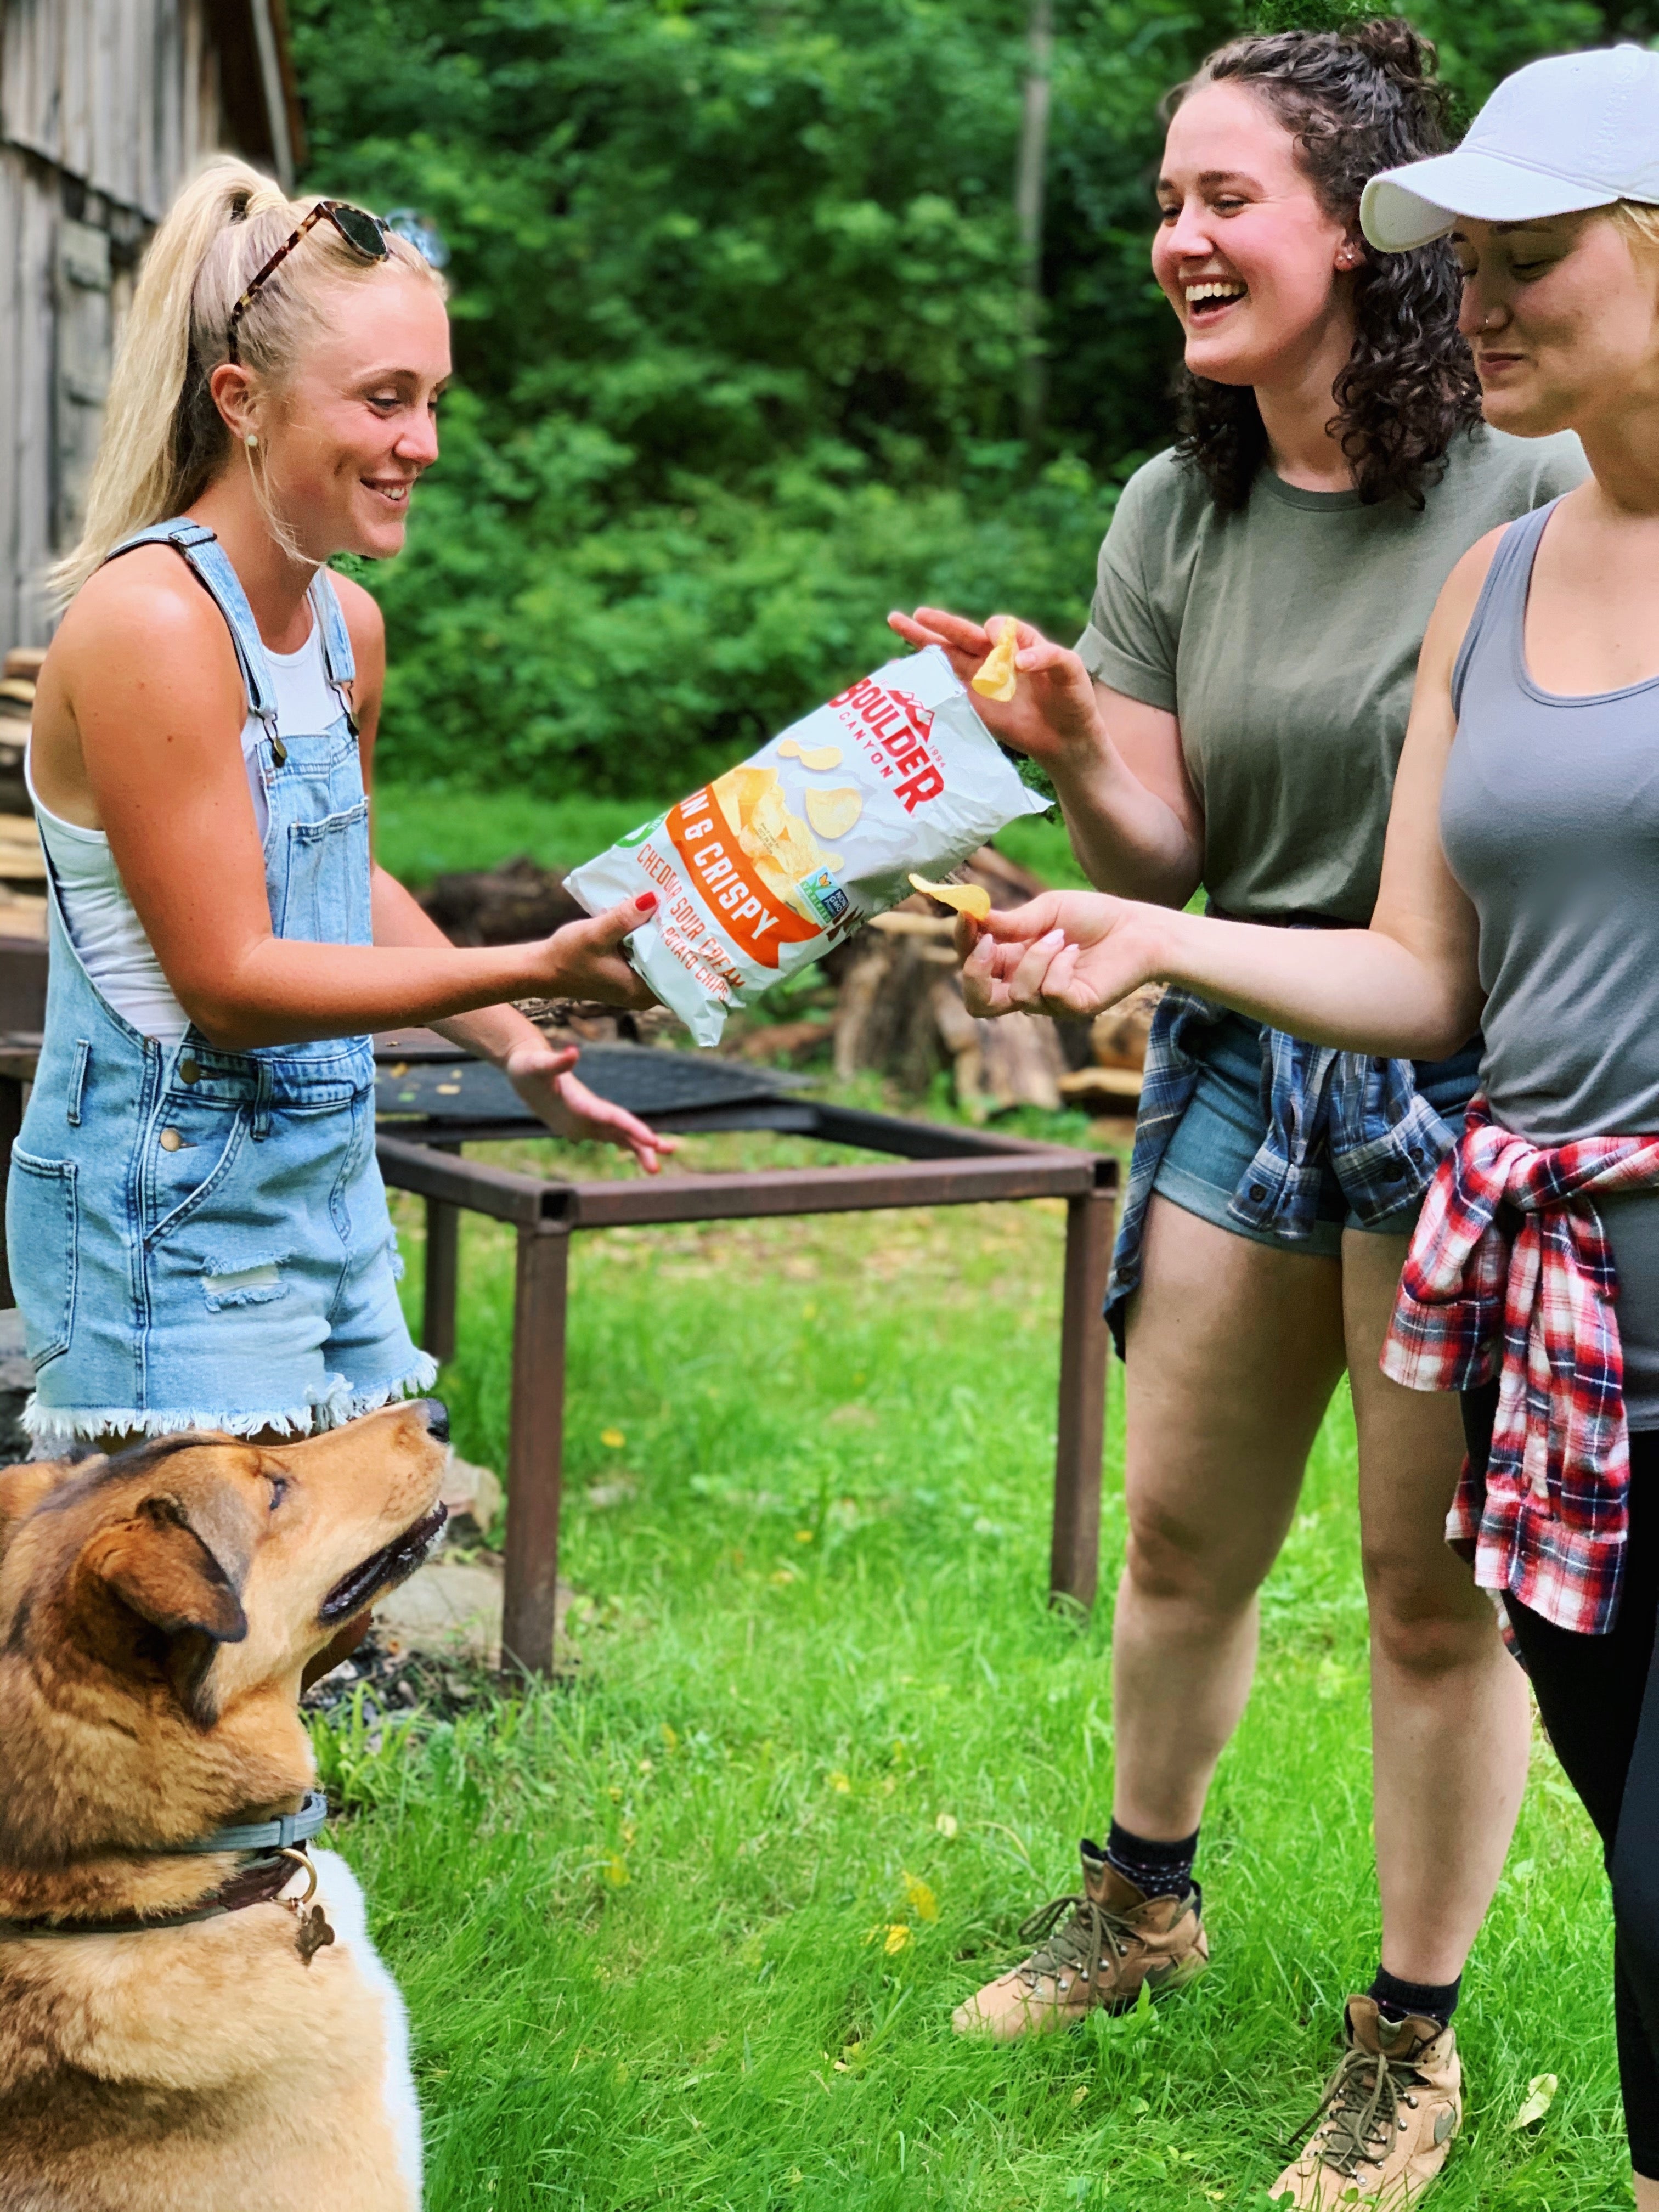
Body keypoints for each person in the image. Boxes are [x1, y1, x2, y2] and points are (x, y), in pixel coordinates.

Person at [890, 19, 1583, 2207]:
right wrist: (1073, 736)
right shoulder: (1172, 507)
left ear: (1357, 232)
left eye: (1226, 197)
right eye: (1164, 203)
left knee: (1424, 1590)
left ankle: (1408, 2040)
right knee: (1182, 1535)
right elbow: (1168, 853)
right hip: (1233, 1053)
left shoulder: (1527, 482)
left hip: (1454, 1068)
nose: (1178, 238)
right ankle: (1140, 1902)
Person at [15, 159, 672, 1454]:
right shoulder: (153, 625)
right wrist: (538, 965)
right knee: (189, 1588)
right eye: (384, 399)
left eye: (432, 401)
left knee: (354, 1562)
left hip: (324, 1195)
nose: (423, 443)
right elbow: (232, 982)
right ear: (242, 403)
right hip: (163, 1215)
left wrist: (517, 1045)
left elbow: (340, 881)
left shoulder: (342, 628)